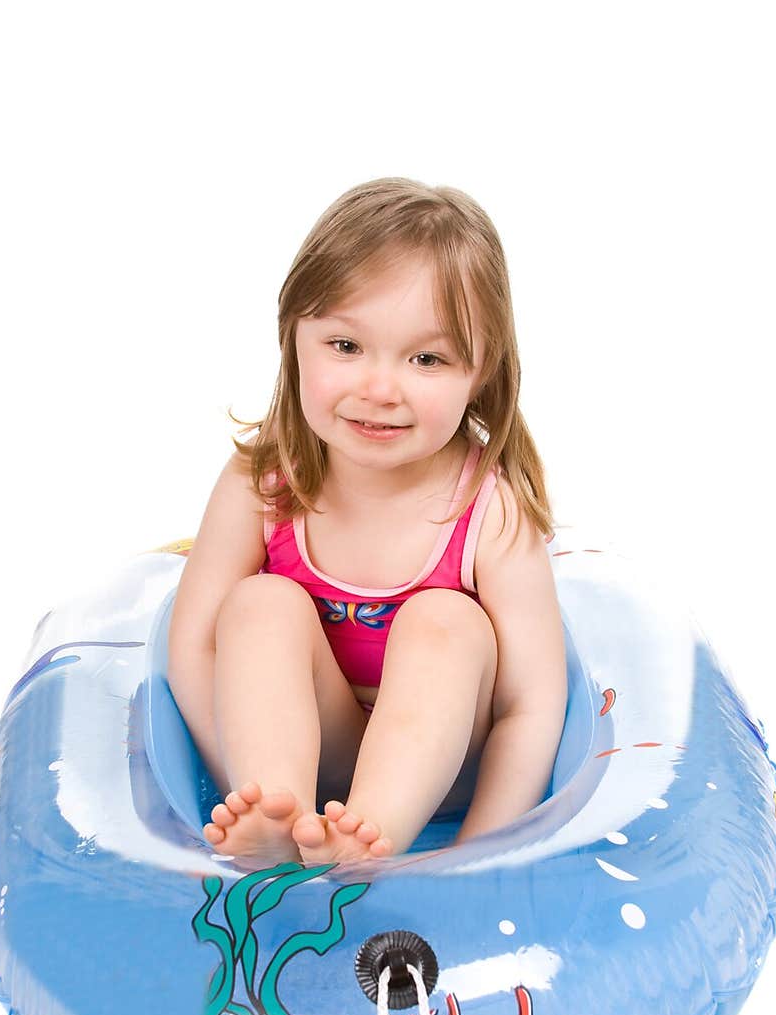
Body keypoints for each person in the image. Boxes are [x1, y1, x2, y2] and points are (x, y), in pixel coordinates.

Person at [167, 177, 568, 870]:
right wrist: (244, 785)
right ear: (294, 338)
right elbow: (191, 652)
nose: (380, 390)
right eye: (346, 346)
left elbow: (530, 706)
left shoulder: (489, 511)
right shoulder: (259, 485)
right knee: (259, 603)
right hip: (310, 757)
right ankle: (279, 816)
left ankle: (369, 841)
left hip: (435, 773)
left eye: (426, 359)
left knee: (447, 619)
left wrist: (479, 854)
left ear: (482, 373)